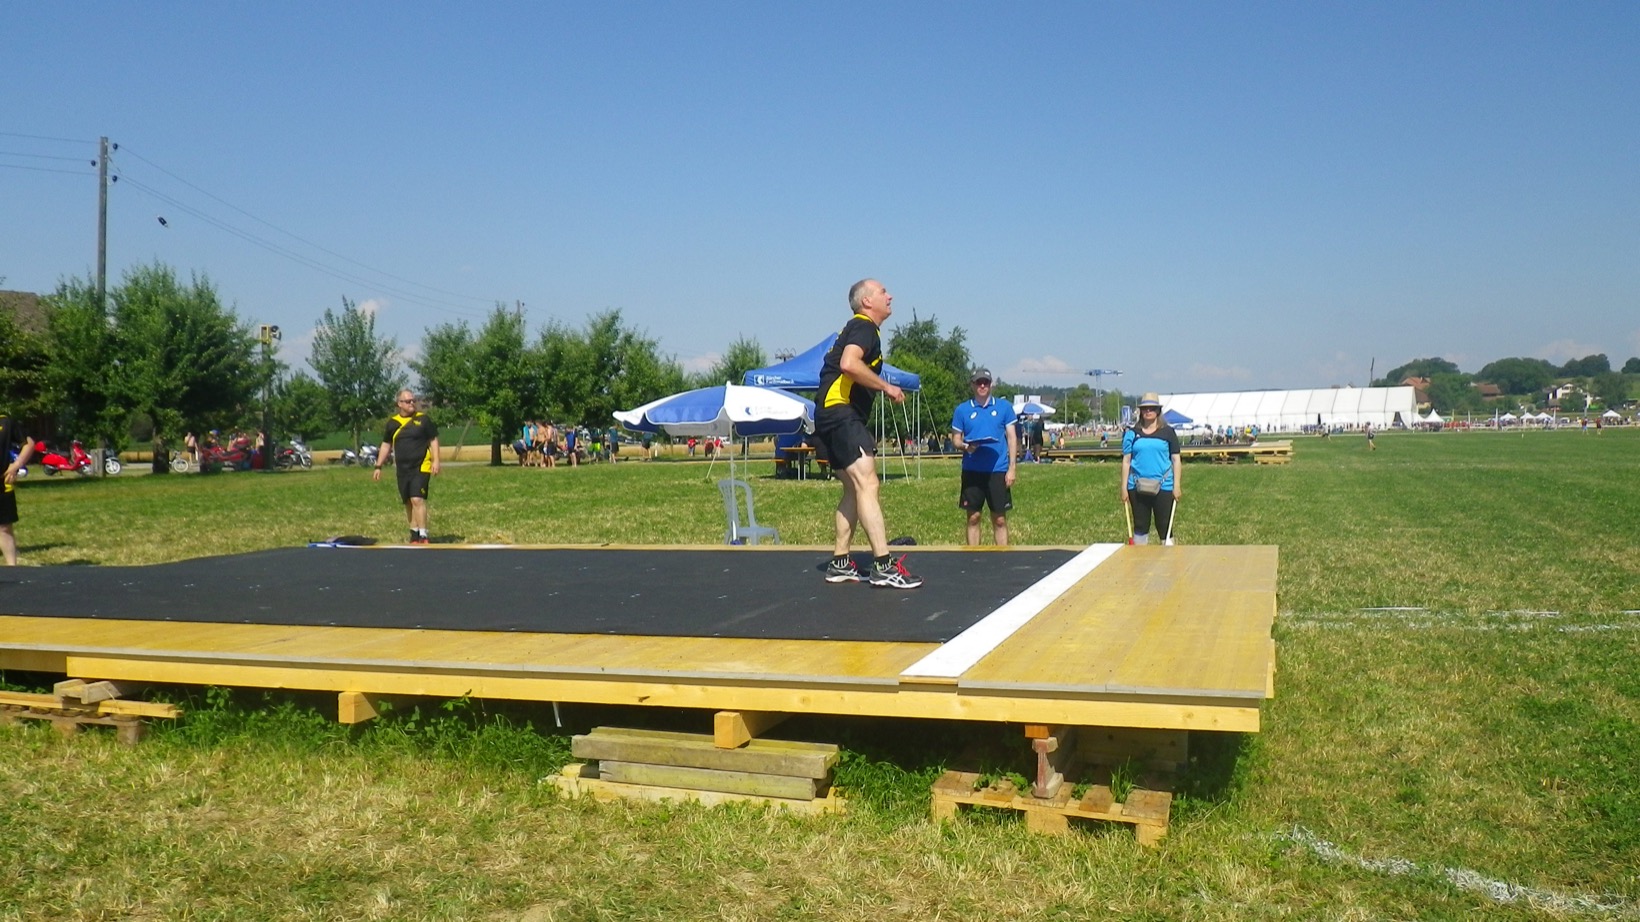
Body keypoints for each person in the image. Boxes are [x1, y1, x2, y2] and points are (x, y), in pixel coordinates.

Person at [815, 278, 922, 588]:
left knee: (853, 488)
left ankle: (839, 562)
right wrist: (887, 386)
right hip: (840, 413)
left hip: (827, 414)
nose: (890, 296)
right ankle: (884, 566)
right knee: (868, 483)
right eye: (883, 292)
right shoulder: (864, 326)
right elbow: (849, 364)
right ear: (866, 302)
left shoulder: (857, 329)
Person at [951, 367, 1019, 546]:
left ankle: (1002, 556)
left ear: (991, 385)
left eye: (985, 383)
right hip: (972, 470)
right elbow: (956, 439)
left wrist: (1012, 468)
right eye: (979, 382)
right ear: (972, 385)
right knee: (973, 517)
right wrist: (966, 447)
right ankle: (974, 556)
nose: (982, 386)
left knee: (1000, 519)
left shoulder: (1004, 407)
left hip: (997, 469)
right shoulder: (962, 410)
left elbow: (1012, 437)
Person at [373, 389, 441, 545]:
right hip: (402, 469)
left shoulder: (423, 420)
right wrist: (378, 466)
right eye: (408, 401)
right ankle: (414, 533)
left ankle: (423, 534)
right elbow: (386, 445)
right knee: (408, 501)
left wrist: (436, 460)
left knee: (417, 499)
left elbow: (433, 440)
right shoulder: (392, 423)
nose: (412, 403)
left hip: (421, 466)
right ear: (399, 404)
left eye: (413, 400)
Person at [1120, 393, 1181, 546]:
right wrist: (1123, 487)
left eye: (1152, 408)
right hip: (1136, 485)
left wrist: (1177, 486)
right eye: (1145, 408)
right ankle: (1140, 558)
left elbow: (1176, 460)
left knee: (1165, 526)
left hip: (1164, 485)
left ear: (1158, 411)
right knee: (1140, 526)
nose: (1148, 411)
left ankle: (1169, 557)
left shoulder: (1168, 432)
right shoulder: (1132, 434)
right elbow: (1126, 461)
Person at [1, 412, 37, 566]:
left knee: (4, 528)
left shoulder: (6, 422)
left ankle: (12, 569)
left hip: (2, 485)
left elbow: (29, 444)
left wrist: (16, 465)